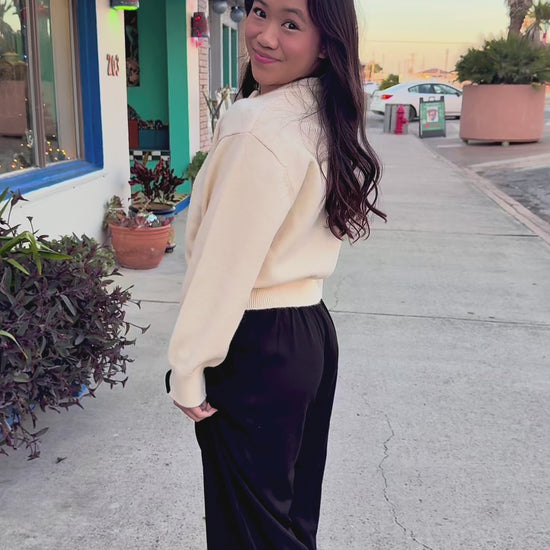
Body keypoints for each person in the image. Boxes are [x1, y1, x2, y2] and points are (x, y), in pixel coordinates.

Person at [166, 0, 386, 548]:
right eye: (260, 12)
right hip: (308, 333)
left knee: (250, 531)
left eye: (291, 24)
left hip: (256, 342)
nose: (265, 35)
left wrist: (188, 366)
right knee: (289, 520)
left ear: (326, 43)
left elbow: (225, 261)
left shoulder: (257, 123)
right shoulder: (320, 114)